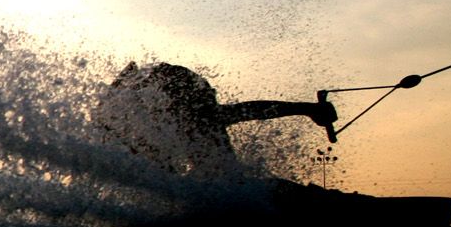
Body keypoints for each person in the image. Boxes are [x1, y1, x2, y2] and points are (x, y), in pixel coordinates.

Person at [98, 62, 337, 176]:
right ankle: (309, 109)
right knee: (213, 160)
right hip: (164, 85)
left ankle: (310, 109)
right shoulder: (122, 133)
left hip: (170, 84)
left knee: (216, 156)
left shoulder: (122, 131)